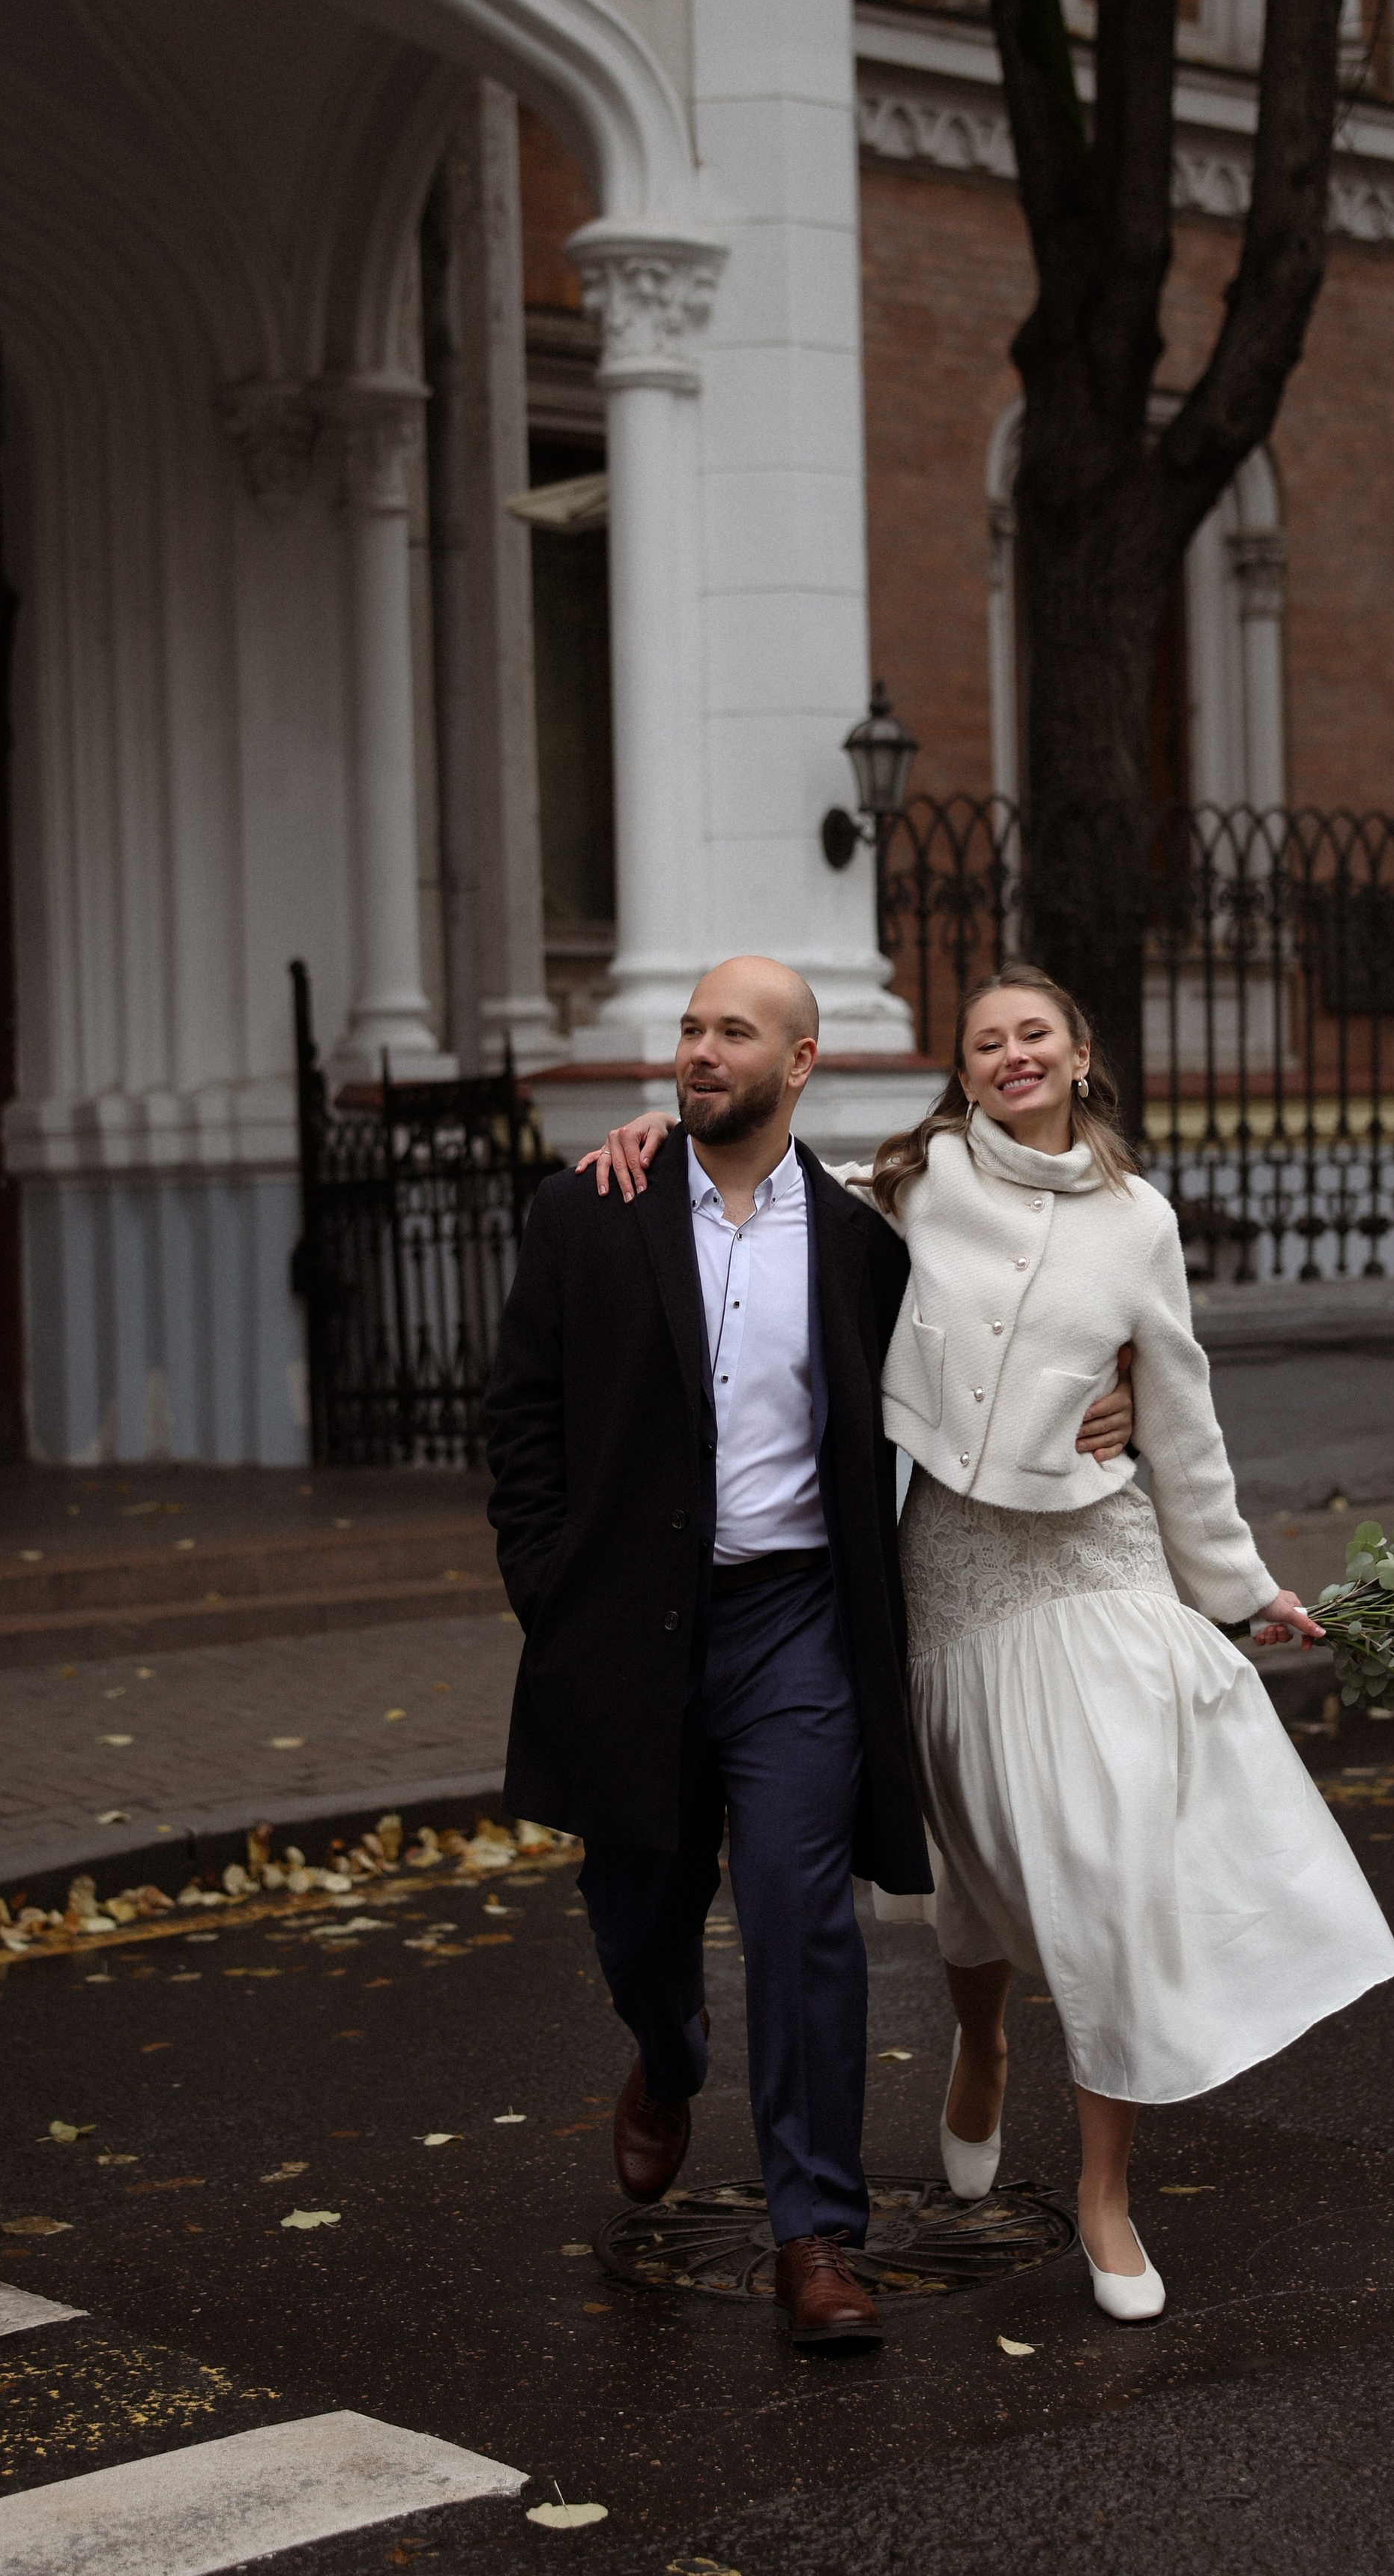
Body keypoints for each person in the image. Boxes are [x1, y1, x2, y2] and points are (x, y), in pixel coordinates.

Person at [588, 963, 1394, 2325]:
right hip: (953, 1576)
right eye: (986, 1043)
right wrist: (651, 1141)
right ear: (962, 1076)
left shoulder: (1142, 1223)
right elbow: (755, 1185)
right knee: (971, 1864)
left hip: (1099, 1559)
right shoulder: (914, 1184)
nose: (1012, 1055)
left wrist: (1237, 1581)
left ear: (1082, 1056)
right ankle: (980, 2038)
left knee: (1104, 1864)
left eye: (1036, 1035)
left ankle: (1101, 2196)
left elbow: (1185, 1414)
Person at [485, 955, 1131, 2348]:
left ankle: (818, 2236)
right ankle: (666, 2059)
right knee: (639, 1917)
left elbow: (1006, 1326)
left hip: (795, 1625)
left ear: (801, 1065)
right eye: (692, 1027)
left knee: (801, 1920)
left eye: (736, 1032)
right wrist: (552, 1591)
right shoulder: (588, 1211)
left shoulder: (860, 1245)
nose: (702, 1050)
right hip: (632, 1631)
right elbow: (522, 1424)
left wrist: (1108, 1391)